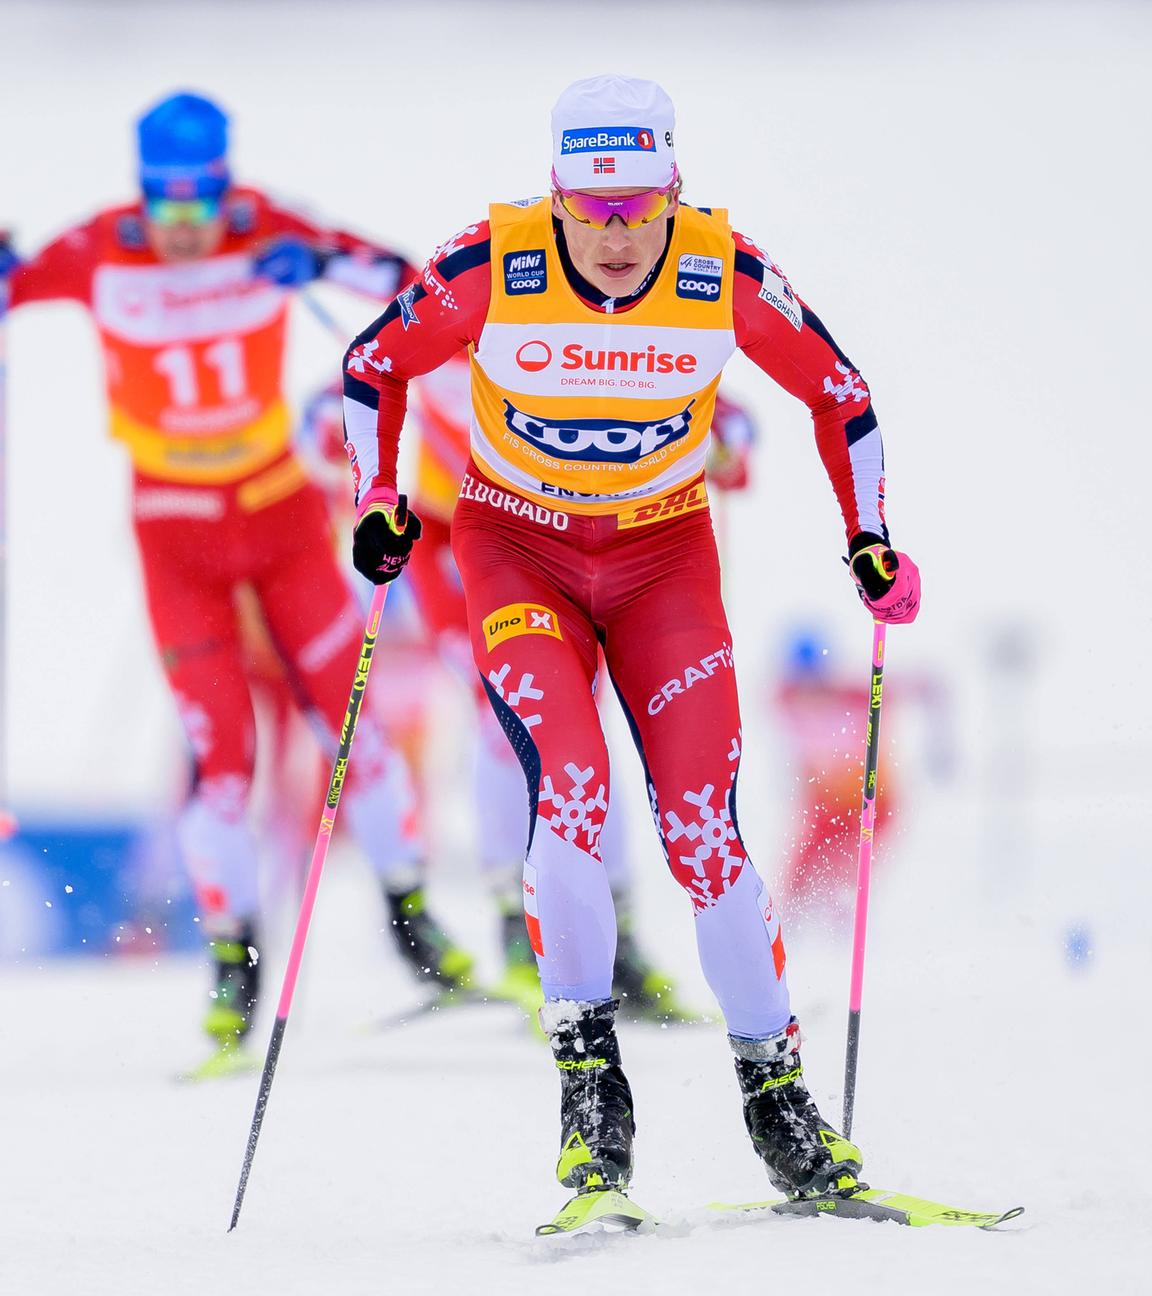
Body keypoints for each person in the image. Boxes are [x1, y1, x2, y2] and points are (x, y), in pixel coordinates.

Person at [342, 75, 921, 1209]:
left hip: (663, 562)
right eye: (591, 210)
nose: (615, 235)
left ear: (675, 191)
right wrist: (377, 498)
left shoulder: (722, 270)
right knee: (574, 795)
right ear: (555, 194)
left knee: (705, 832)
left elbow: (840, 393)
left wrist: (869, 537)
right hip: (519, 555)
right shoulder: (489, 264)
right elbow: (374, 366)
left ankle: (778, 1101)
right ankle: (591, 1102)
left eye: (639, 207)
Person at [2, 91, 472, 1070]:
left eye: (199, 204)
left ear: (225, 184)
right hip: (174, 531)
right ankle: (233, 966)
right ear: (144, 193)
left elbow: (403, 278)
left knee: (354, 725)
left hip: (280, 517)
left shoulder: (264, 224)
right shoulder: (102, 247)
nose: (184, 228)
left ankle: (413, 921)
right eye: (166, 205)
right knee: (222, 765)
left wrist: (321, 265)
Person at [305, 364, 755, 1020]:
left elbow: (719, 407)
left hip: (559, 545)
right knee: (503, 714)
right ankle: (518, 929)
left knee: (586, 730)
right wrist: (339, 442)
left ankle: (616, 937)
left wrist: (725, 443)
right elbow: (343, 395)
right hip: (453, 539)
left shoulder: (568, 320)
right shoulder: (447, 306)